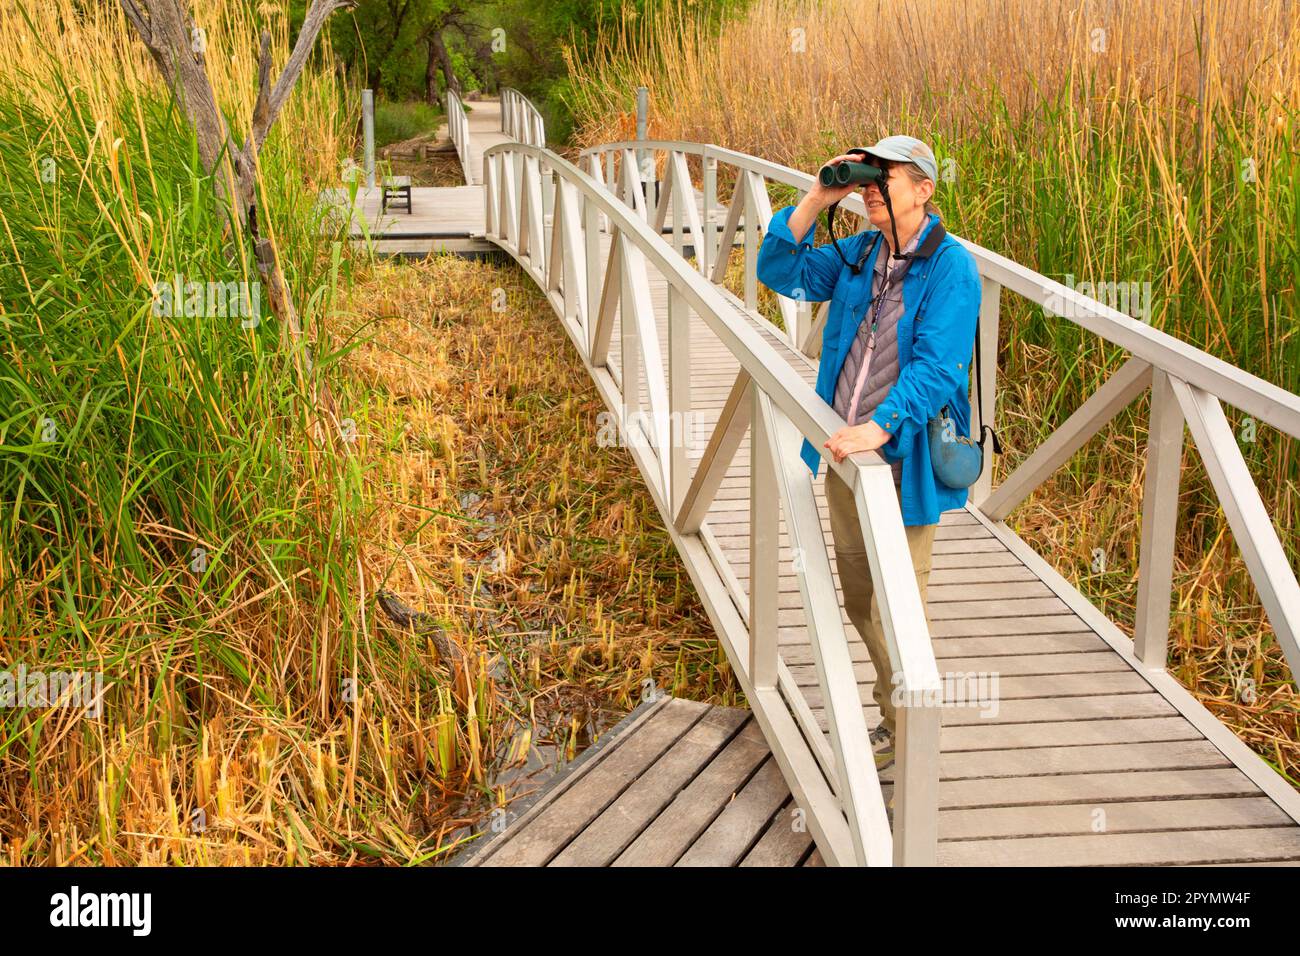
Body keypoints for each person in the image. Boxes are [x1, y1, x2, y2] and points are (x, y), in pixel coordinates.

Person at [755, 135, 981, 771]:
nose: (874, 185)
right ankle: (896, 712)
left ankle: (908, 731)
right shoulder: (858, 254)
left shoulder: (951, 268)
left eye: (889, 174)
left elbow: (939, 367)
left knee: (896, 603)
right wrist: (818, 195)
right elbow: (779, 272)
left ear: (925, 189)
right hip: (844, 456)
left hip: (900, 463)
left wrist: (881, 427)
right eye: (869, 174)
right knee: (859, 600)